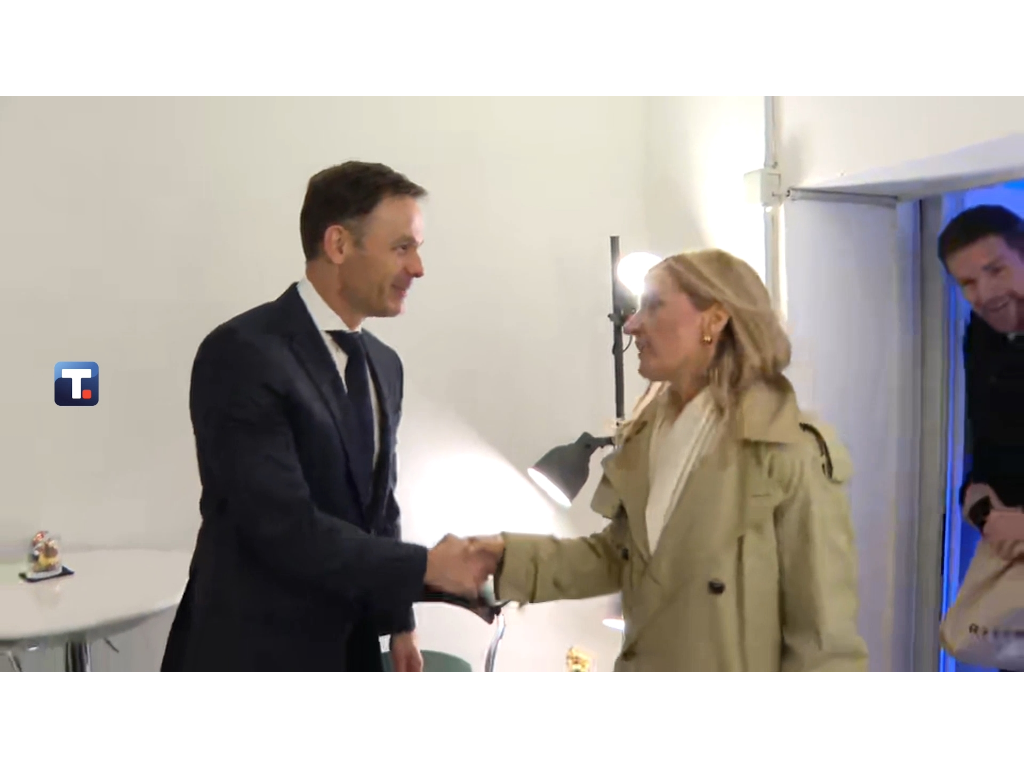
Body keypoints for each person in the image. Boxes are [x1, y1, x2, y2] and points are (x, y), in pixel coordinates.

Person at [161, 161, 494, 672]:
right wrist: (427, 567)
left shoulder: (385, 364)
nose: (418, 268)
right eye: (401, 247)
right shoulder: (241, 353)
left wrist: (399, 620)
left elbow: (378, 509)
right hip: (253, 650)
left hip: (350, 649)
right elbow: (281, 526)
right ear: (338, 244)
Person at [471, 249, 869, 672]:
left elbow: (826, 644)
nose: (632, 325)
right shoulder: (648, 435)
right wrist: (500, 557)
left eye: (653, 305)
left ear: (714, 320)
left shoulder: (789, 450)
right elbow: (621, 557)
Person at [938, 205, 1024, 673]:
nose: (986, 294)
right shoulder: (984, 338)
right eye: (968, 282)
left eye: (996, 270)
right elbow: (988, 449)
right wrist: (977, 503)